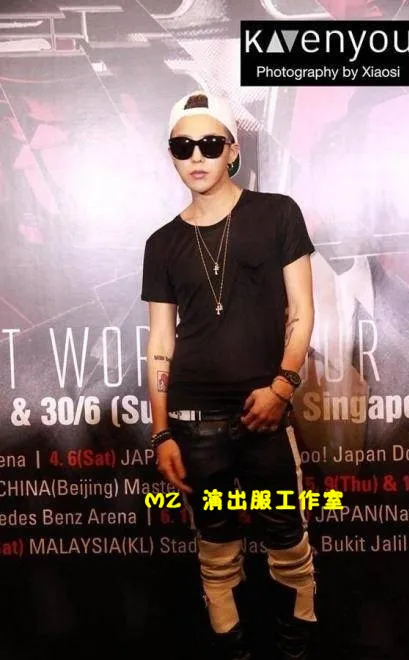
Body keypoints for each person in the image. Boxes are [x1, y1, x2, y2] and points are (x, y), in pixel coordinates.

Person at [141, 89, 317, 660]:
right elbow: (161, 344)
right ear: (172, 155)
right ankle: (233, 650)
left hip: (264, 413)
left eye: (210, 143)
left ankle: (297, 644)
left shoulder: (277, 213)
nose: (196, 155)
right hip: (193, 422)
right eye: (183, 146)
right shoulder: (162, 243)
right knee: (216, 544)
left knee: (287, 537)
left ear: (233, 150)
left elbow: (302, 310)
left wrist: (282, 387)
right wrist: (162, 432)